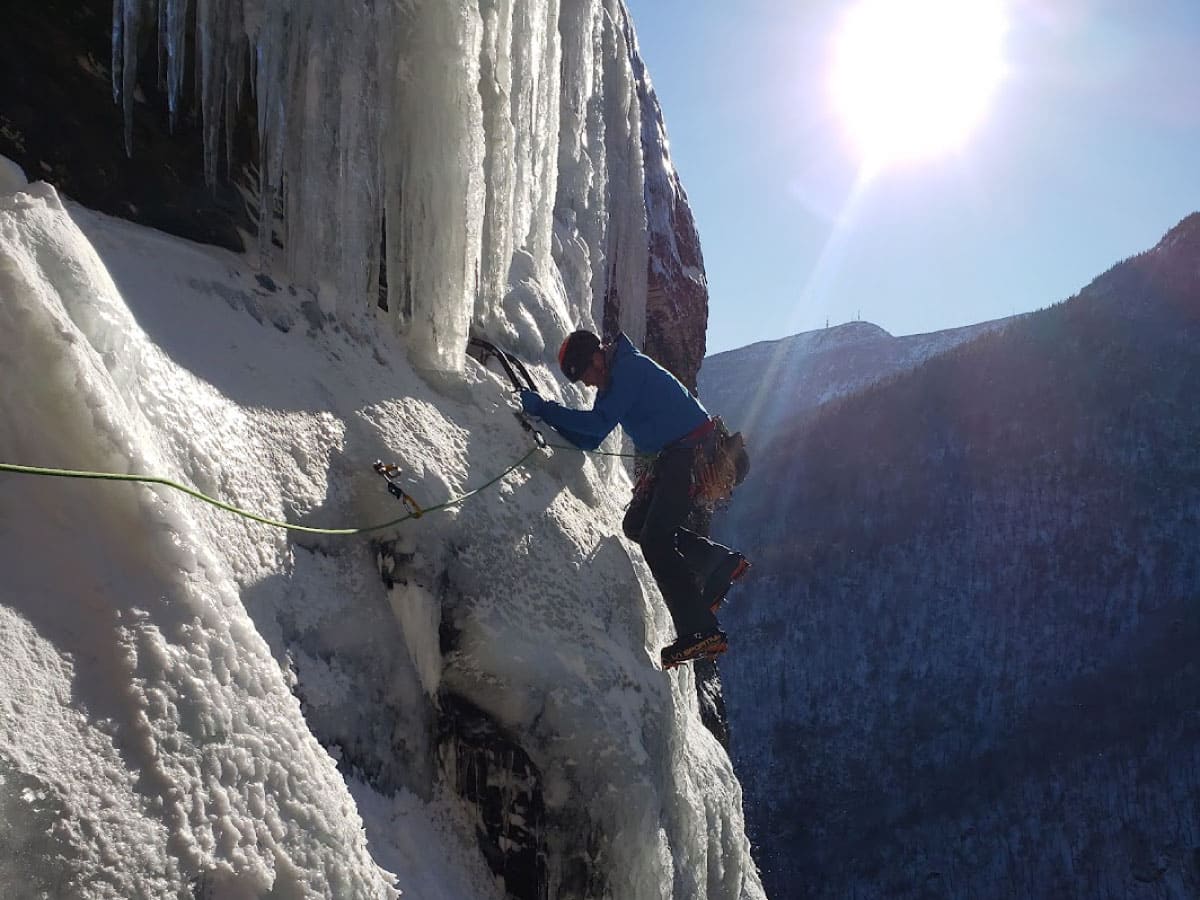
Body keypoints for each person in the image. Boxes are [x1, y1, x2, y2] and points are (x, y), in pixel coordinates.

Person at [520, 329, 749, 667]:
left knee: (655, 540)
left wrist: (546, 409)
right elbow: (590, 439)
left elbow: (597, 425)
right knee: (636, 524)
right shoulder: (614, 376)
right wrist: (548, 419)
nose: (589, 383)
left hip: (688, 453)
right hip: (681, 452)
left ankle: (700, 630)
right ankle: (718, 563)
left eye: (587, 373)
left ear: (598, 356)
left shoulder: (628, 369)